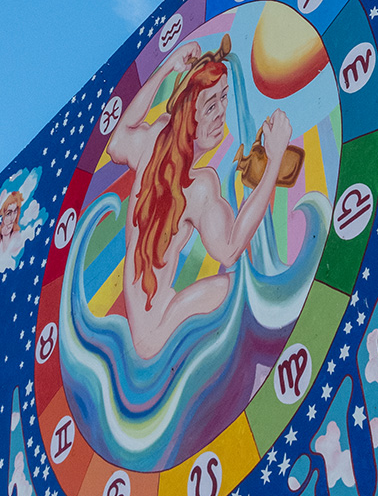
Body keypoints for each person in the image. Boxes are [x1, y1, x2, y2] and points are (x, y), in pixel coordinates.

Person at [107, 37, 292, 360]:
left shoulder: (153, 139)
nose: (221, 112)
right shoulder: (199, 186)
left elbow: (116, 141)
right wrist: (274, 159)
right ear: (188, 116)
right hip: (160, 331)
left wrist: (166, 67)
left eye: (223, 98)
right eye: (210, 106)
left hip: (146, 333)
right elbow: (231, 249)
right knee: (240, 288)